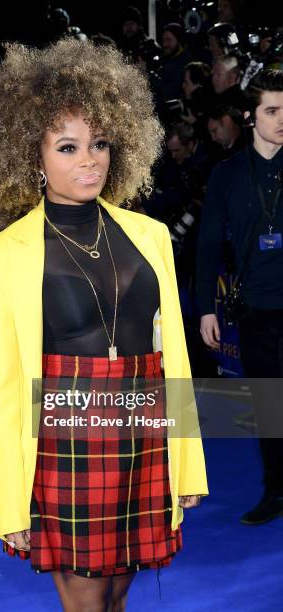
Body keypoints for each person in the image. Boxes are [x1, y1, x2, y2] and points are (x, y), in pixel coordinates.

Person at [0, 39, 208, 610]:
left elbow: (174, 353)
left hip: (146, 429)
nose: (90, 160)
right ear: (32, 153)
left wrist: (188, 460)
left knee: (120, 595)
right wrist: (7, 502)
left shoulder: (149, 236)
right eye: (69, 146)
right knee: (86, 603)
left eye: (99, 143)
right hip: (66, 437)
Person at [196, 69, 283, 525]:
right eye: (272, 111)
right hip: (255, 310)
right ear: (250, 116)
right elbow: (208, 245)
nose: (282, 119)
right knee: (271, 407)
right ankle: (276, 490)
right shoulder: (228, 175)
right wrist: (207, 306)